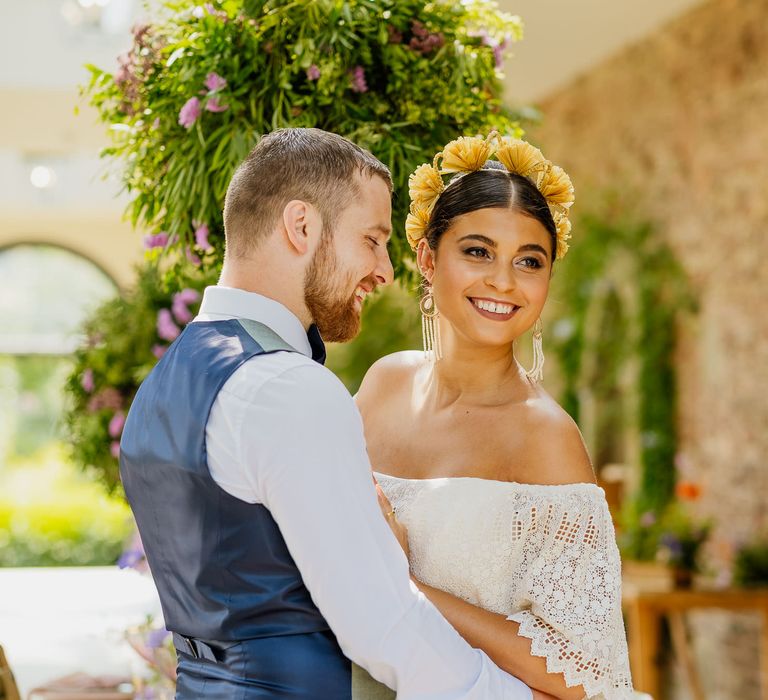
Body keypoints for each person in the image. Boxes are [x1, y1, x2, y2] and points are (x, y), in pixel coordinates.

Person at [119, 128, 542, 699]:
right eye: (371, 239)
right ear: (301, 227)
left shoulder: (164, 383)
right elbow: (383, 624)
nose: (385, 270)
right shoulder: (288, 389)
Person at [355, 134, 636, 699]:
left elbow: (584, 673)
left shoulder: (546, 437)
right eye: (478, 251)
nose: (504, 282)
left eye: (528, 261)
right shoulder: (383, 385)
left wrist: (407, 590)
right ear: (428, 260)